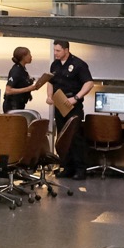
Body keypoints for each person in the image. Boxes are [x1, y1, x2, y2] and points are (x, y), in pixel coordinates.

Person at [46, 39, 95, 180]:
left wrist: (76, 97)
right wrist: (49, 96)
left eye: (58, 50)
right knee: (62, 137)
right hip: (59, 104)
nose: (55, 53)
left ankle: (80, 169)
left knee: (75, 136)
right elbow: (50, 82)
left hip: (73, 105)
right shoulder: (55, 64)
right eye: (54, 50)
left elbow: (89, 83)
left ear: (66, 50)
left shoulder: (78, 64)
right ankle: (67, 167)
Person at [3, 46, 44, 113]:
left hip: (20, 103)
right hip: (13, 105)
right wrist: (28, 89)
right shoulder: (16, 71)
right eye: (29, 54)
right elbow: (8, 90)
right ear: (23, 57)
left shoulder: (23, 69)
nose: (31, 57)